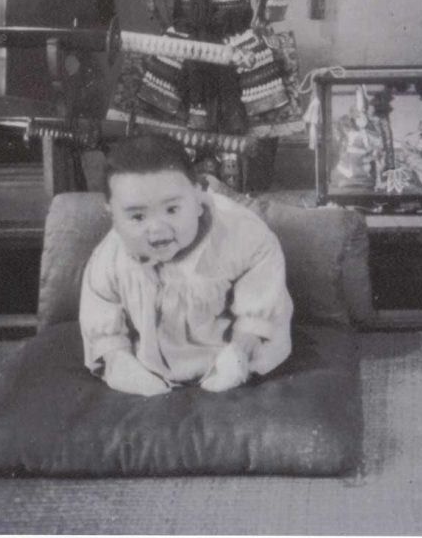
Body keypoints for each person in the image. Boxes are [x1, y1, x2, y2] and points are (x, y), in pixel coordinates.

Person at [79, 134, 293, 396]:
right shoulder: (110, 256)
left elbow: (262, 299)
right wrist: (116, 354)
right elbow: (99, 311)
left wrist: (242, 346)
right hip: (148, 354)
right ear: (112, 214)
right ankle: (123, 368)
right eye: (137, 216)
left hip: (227, 343)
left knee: (253, 343)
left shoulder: (243, 236)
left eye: (172, 210)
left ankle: (236, 361)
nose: (157, 229)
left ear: (198, 199)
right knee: (113, 352)